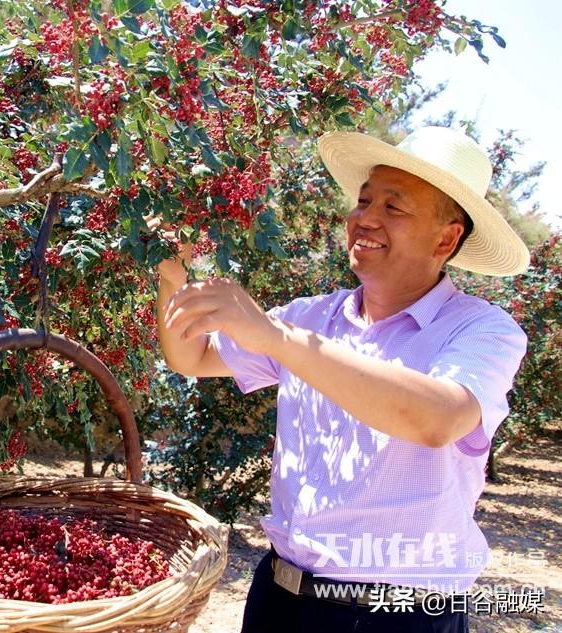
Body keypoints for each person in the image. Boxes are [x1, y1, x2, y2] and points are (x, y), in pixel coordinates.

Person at [154, 127, 530, 633]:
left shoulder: (482, 330)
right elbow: (193, 356)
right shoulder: (311, 318)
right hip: (282, 600)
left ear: (446, 239)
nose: (364, 218)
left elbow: (437, 418)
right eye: (363, 199)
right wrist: (172, 277)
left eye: (394, 208)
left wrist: (277, 338)